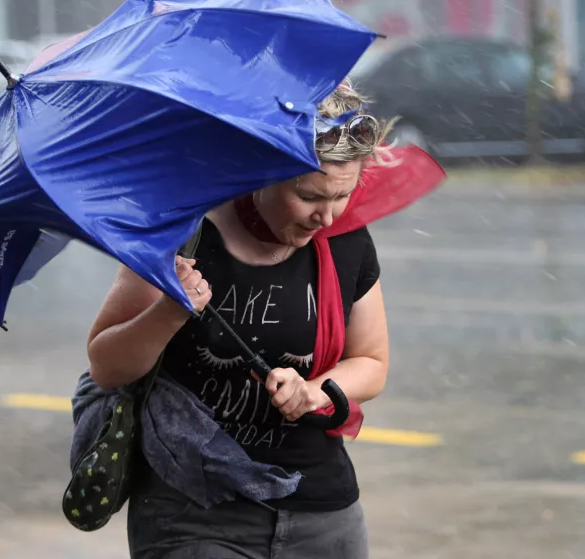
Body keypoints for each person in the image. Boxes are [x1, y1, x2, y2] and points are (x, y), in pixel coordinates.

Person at [85, 80, 394, 559]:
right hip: (196, 510)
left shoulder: (345, 240)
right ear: (263, 171)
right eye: (310, 196)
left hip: (321, 511)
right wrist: (170, 310)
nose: (327, 218)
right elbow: (107, 365)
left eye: (342, 196)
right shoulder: (184, 230)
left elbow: (371, 361)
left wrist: (315, 390)